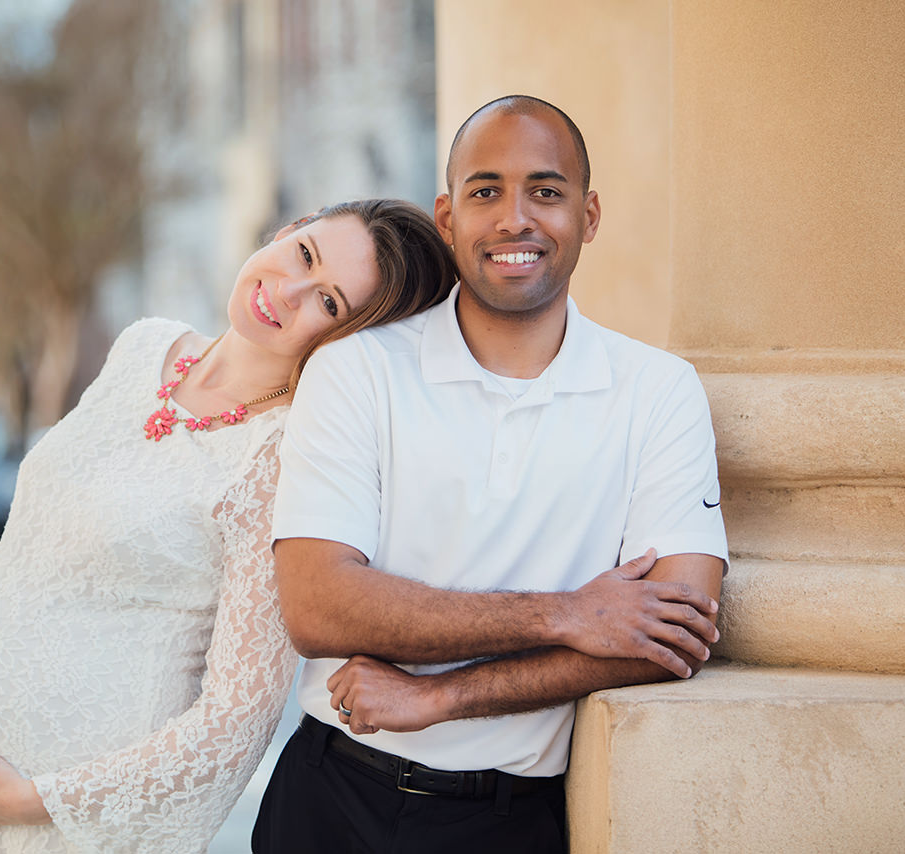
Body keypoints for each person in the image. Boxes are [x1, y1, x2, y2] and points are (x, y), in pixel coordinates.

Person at [0, 197, 458, 854]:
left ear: (348, 340)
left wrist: (34, 802)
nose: (286, 291)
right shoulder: (143, 347)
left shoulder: (284, 457)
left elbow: (236, 721)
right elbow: (30, 545)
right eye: (303, 254)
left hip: (74, 821)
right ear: (289, 228)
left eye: (329, 303)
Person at [252, 95, 729, 853]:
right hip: (330, 799)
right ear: (447, 219)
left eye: (546, 191)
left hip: (511, 821)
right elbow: (317, 606)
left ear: (589, 214)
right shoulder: (357, 371)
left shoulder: (658, 390)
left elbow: (673, 633)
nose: (515, 219)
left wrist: (438, 696)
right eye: (486, 192)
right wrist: (564, 615)